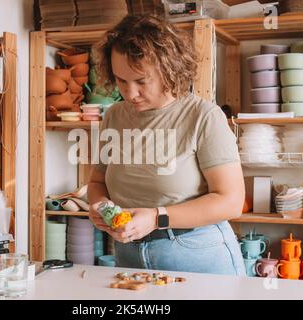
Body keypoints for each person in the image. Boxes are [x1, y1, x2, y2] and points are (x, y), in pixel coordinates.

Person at [87, 14, 246, 276]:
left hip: (195, 254)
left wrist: (156, 217)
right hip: (129, 255)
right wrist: (100, 206)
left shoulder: (203, 116)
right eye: (121, 80)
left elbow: (231, 202)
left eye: (141, 81)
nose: (130, 93)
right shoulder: (114, 116)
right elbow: (97, 182)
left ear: (168, 69)